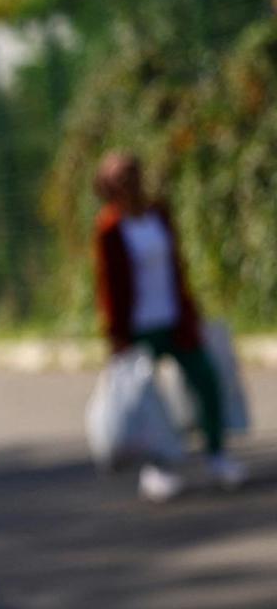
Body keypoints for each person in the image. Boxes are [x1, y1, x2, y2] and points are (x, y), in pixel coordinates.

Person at [93, 151, 246, 501]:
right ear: (107, 186)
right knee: (148, 401)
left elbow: (177, 267)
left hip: (174, 318)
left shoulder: (158, 215)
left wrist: (189, 309)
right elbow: (108, 284)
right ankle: (157, 469)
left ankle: (217, 455)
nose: (129, 181)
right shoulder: (109, 229)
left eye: (132, 172)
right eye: (120, 177)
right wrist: (116, 335)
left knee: (206, 379)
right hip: (137, 327)